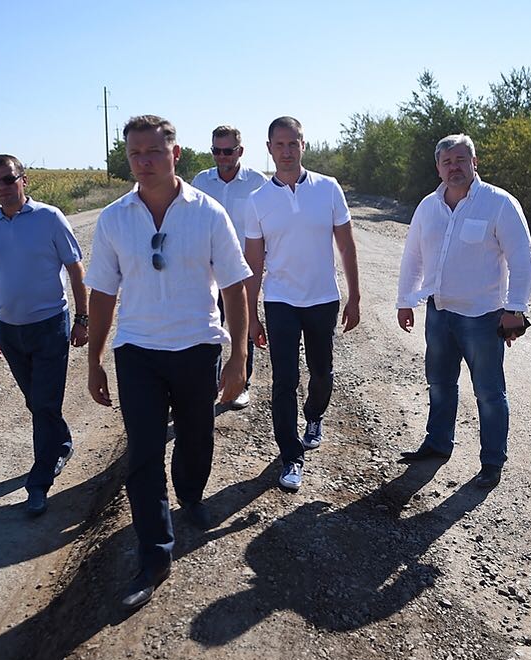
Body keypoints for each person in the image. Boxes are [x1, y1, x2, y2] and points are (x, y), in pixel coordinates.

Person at [86, 115, 251, 609]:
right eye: (135, 154)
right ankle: (154, 556)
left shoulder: (208, 213)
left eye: (154, 152)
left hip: (197, 346)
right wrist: (94, 359)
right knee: (143, 454)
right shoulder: (114, 218)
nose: (144, 162)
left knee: (197, 437)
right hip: (137, 351)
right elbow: (102, 293)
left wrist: (238, 355)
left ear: (175, 154)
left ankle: (192, 496)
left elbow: (235, 288)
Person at [395, 133, 531, 489]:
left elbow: (522, 258)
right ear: (438, 168)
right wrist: (405, 300)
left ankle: (492, 462)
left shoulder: (499, 203)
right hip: (439, 313)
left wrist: (515, 309)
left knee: (489, 393)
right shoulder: (428, 206)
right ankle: (437, 444)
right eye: (447, 162)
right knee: (440, 384)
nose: (454, 167)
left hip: (483, 317)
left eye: (461, 160)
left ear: (474, 162)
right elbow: (413, 256)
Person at [243, 116, 360, 492]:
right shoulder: (258, 201)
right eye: (279, 144)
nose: (287, 151)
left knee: (322, 372)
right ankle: (291, 456)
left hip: (323, 299)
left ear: (303, 145)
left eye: (293, 143)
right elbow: (253, 264)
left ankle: (314, 414)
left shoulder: (328, 188)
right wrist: (251, 316)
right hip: (280, 301)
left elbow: (346, 246)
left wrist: (355, 295)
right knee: (284, 380)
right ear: (269, 148)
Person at [0, 154, 88, 516]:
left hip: (50, 325)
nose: (2, 187)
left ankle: (38, 483)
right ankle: (62, 443)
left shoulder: (49, 218)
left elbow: (76, 269)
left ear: (24, 180)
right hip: (10, 331)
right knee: (37, 402)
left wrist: (82, 319)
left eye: (9, 179)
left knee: (43, 404)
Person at [191, 124, 268, 409]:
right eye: (216, 151)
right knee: (208, 327)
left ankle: (240, 386)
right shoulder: (201, 182)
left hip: (241, 270)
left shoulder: (257, 182)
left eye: (228, 151)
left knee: (242, 328)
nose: (222, 157)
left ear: (240, 151)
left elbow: (267, 223)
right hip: (207, 270)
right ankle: (207, 385)